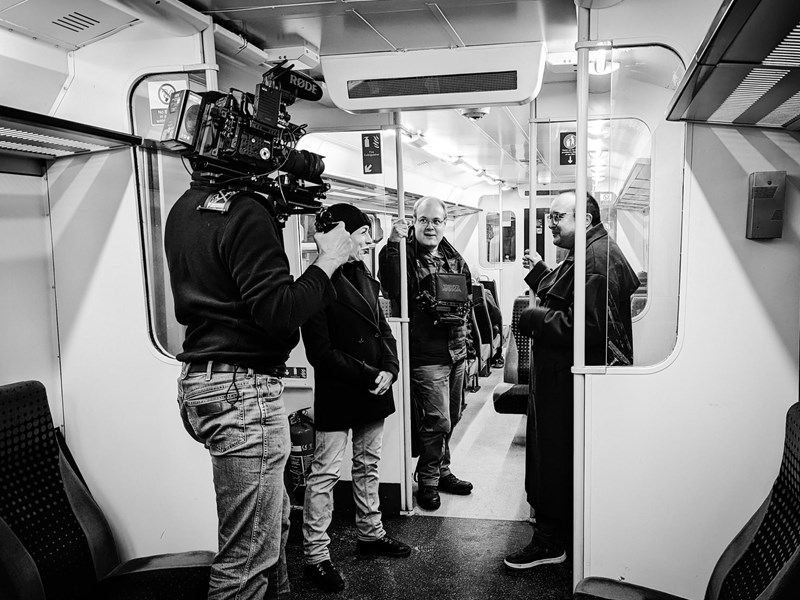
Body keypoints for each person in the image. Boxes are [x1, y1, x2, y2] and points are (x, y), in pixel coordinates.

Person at [164, 173, 353, 600]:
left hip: (204, 381)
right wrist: (328, 262)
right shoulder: (247, 212)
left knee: (274, 524)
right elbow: (280, 313)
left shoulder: (185, 206)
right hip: (239, 390)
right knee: (245, 558)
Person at [504, 191, 640, 570]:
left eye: (557, 216)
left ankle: (549, 542)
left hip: (568, 384)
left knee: (554, 456)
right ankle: (553, 532)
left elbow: (587, 327)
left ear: (587, 218)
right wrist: (540, 278)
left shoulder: (595, 260)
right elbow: (566, 295)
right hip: (560, 381)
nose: (551, 224)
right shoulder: (587, 254)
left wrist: (531, 319)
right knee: (556, 456)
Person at [300, 203, 411, 592]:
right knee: (326, 473)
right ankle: (316, 555)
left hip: (374, 386)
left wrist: (392, 368)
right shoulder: (315, 281)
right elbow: (320, 353)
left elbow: (382, 328)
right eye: (364, 234)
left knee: (368, 465)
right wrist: (370, 374)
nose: (368, 242)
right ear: (342, 234)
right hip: (342, 389)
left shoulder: (363, 273)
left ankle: (370, 534)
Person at [379, 196, 474, 511]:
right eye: (424, 220)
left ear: (445, 223)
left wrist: (469, 349)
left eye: (437, 221)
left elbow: (466, 305)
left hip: (456, 350)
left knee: (454, 415)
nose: (430, 227)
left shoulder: (454, 259)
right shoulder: (402, 255)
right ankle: (429, 481)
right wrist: (393, 242)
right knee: (437, 420)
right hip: (426, 354)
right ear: (414, 223)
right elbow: (393, 286)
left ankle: (441, 468)